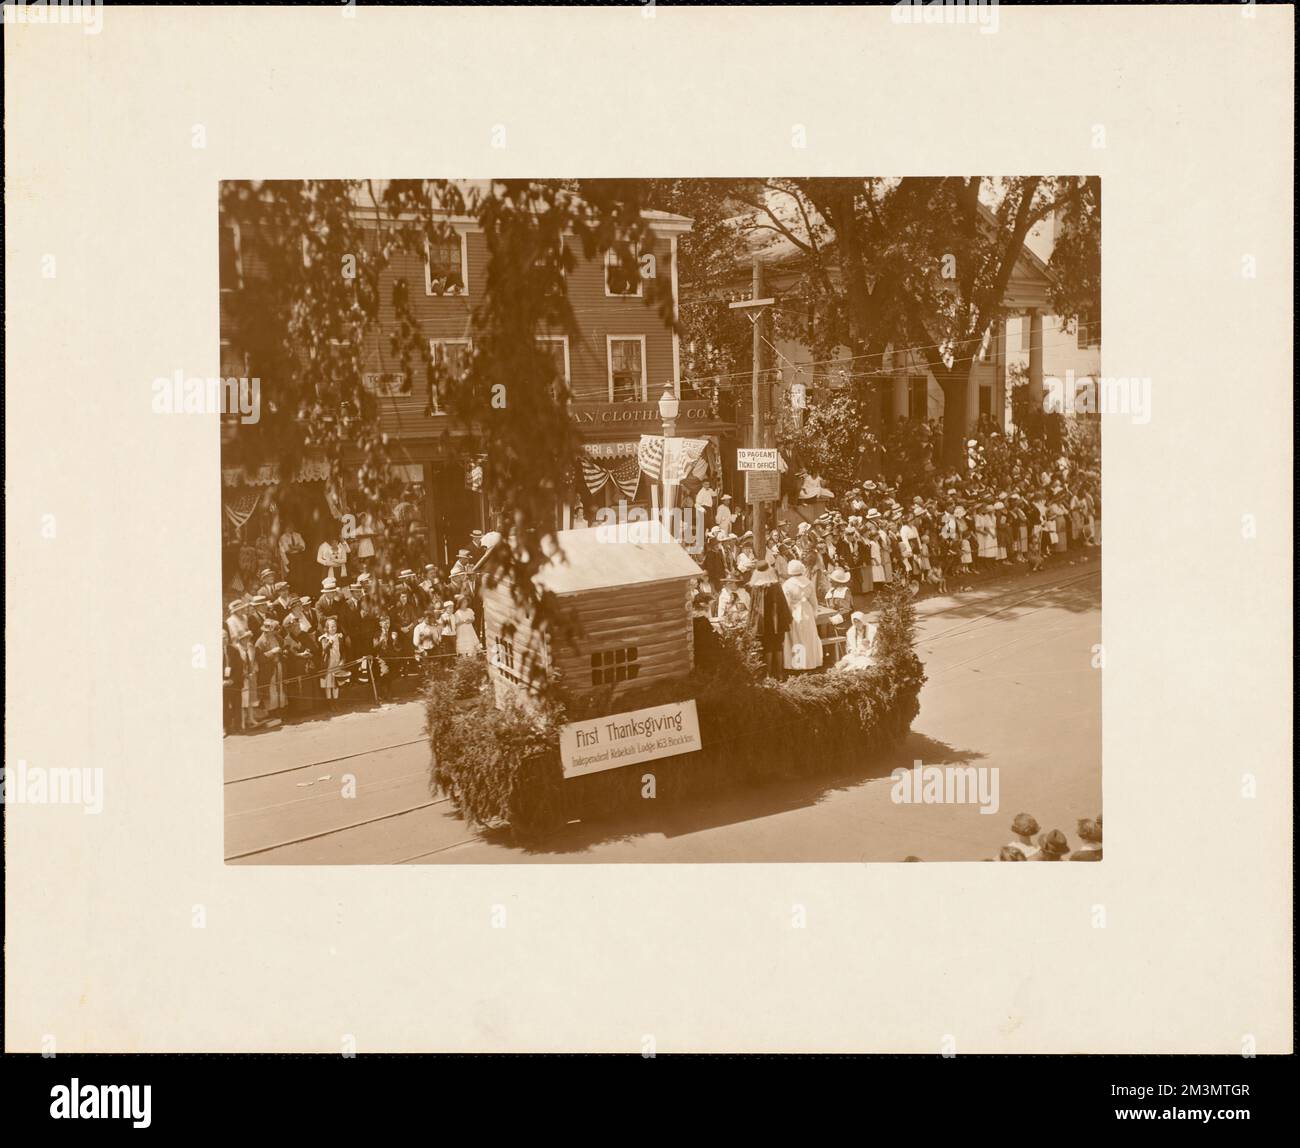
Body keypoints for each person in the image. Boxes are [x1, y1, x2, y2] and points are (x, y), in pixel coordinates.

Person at [746, 561, 792, 679]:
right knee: (778, 645)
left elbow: (753, 608)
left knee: (767, 646)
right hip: (776, 622)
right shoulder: (776, 586)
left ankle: (768, 674)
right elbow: (783, 605)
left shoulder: (756, 587)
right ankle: (780, 673)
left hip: (763, 623)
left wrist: (751, 624)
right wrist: (786, 619)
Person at [781, 559, 823, 672]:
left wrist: (787, 616)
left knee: (797, 638)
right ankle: (810, 662)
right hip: (806, 611)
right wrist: (814, 612)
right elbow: (814, 601)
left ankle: (799, 664)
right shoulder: (808, 583)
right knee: (808, 637)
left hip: (794, 612)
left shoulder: (787, 584)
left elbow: (786, 603)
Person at [255, 618, 287, 713]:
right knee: (271, 689)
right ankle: (272, 711)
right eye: (271, 631)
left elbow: (284, 646)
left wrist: (284, 651)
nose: (273, 633)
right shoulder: (260, 642)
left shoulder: (277, 637)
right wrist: (272, 652)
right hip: (268, 669)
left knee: (280, 687)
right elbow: (259, 658)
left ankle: (281, 709)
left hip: (278, 666)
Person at [318, 616, 348, 704]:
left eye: (334, 626)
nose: (333, 628)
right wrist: (330, 642)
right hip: (328, 664)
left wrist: (343, 660)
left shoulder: (339, 637)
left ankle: (335, 701)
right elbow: (324, 650)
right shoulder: (324, 638)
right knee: (328, 684)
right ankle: (329, 701)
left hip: (337, 662)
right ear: (327, 628)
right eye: (331, 627)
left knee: (336, 682)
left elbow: (343, 650)